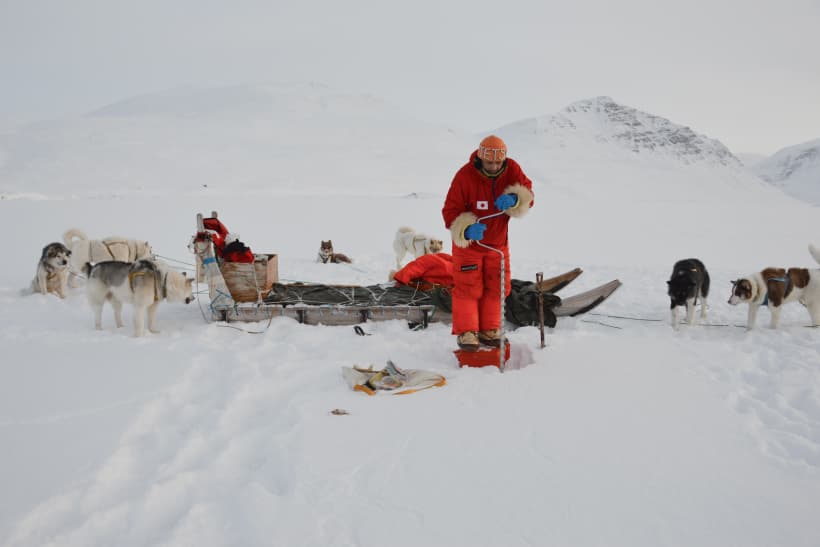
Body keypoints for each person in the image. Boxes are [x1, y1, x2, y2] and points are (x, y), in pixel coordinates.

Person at [441, 135, 534, 351]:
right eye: (489, 162)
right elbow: (449, 211)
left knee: (497, 287)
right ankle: (467, 332)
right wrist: (466, 229)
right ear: (481, 158)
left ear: (504, 159)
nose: (493, 166)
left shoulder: (512, 169)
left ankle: (490, 329)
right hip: (469, 246)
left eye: (498, 162)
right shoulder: (464, 176)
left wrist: (516, 199)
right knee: (468, 288)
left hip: (497, 245)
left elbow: (528, 193)